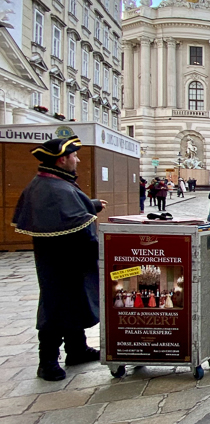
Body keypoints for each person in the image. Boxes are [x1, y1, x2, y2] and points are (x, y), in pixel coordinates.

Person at [12, 136, 107, 381]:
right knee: (55, 308)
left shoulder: (53, 181)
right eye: (74, 156)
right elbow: (71, 223)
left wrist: (90, 204)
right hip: (60, 262)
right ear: (62, 159)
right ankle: (47, 361)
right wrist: (101, 249)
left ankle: (76, 349)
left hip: (68, 261)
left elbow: (67, 208)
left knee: (75, 302)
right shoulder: (51, 187)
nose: (77, 159)